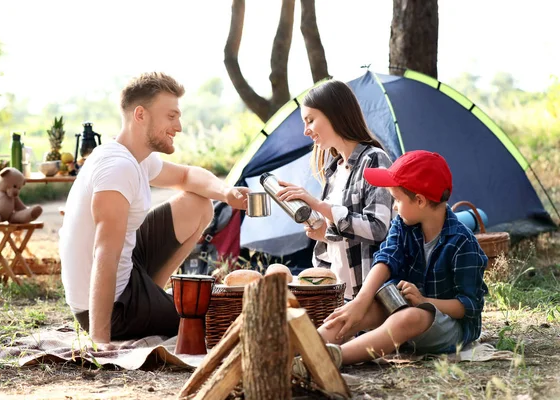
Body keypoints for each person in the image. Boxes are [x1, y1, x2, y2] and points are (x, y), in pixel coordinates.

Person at [59, 72, 249, 345]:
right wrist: (100, 342)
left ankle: (153, 295)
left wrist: (226, 193)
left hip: (128, 272)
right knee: (213, 319)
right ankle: (149, 306)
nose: (179, 126)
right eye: (171, 117)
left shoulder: (133, 157)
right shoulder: (118, 167)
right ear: (140, 115)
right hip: (113, 306)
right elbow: (105, 253)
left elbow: (186, 176)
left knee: (198, 204)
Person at [315, 150, 489, 366]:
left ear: (420, 200)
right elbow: (386, 258)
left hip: (449, 326)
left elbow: (468, 306)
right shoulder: (403, 224)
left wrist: (425, 302)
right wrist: (360, 302)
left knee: (410, 318)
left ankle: (326, 361)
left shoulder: (463, 243)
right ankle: (304, 347)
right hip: (403, 308)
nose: (394, 207)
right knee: (361, 310)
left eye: (396, 200)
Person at [276, 80, 394, 300]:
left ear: (335, 114)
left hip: (370, 297)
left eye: (310, 120)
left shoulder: (374, 160)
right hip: (339, 293)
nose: (305, 131)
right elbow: (341, 234)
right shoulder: (333, 170)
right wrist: (321, 230)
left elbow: (379, 228)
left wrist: (320, 206)